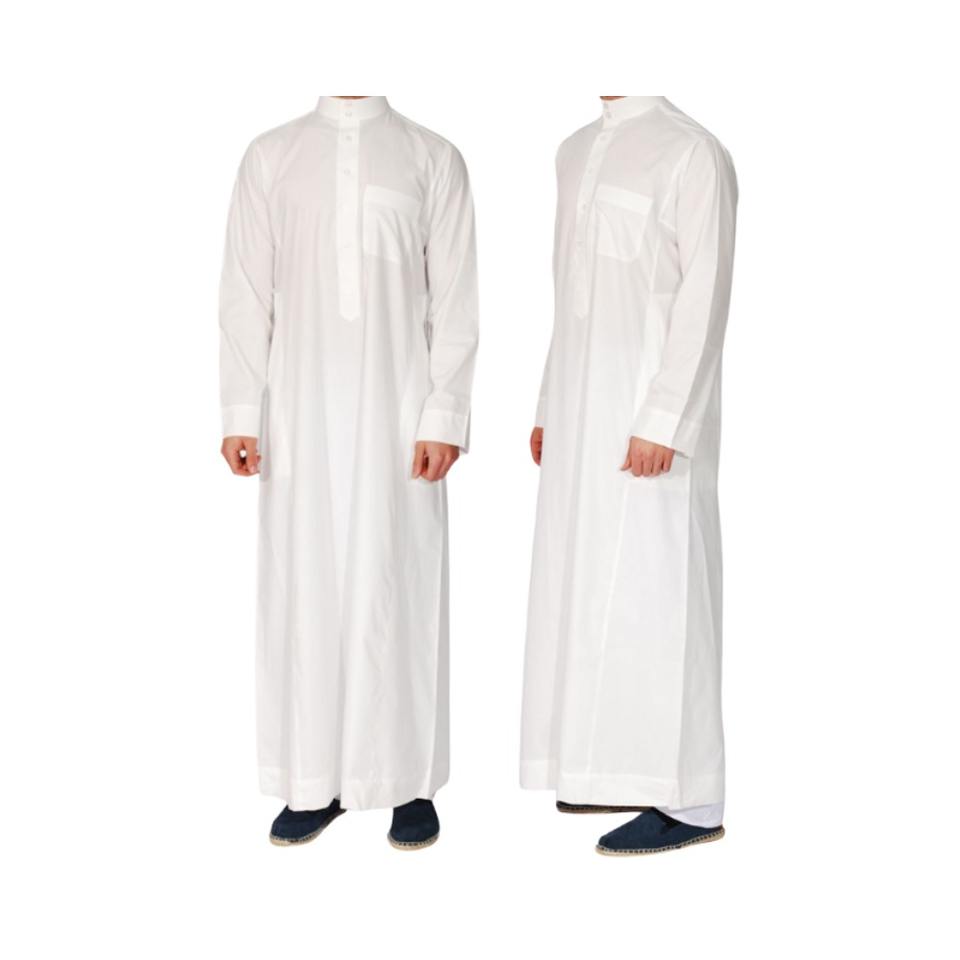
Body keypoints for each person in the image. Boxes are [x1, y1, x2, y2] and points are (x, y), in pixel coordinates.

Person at [219, 96, 478, 849]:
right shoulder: (271, 155)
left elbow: (456, 300)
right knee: (305, 588)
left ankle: (408, 782)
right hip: (298, 414)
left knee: (398, 588)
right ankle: (314, 779)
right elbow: (245, 293)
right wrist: (241, 409)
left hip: (399, 413)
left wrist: (445, 414)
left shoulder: (433, 156)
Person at [521, 96, 738, 855]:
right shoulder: (575, 148)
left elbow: (705, 294)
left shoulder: (690, 150)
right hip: (582, 407)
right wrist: (549, 401)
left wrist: (665, 417)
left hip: (650, 409)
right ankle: (609, 768)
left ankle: (694, 801)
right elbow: (568, 297)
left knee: (664, 591)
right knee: (587, 587)